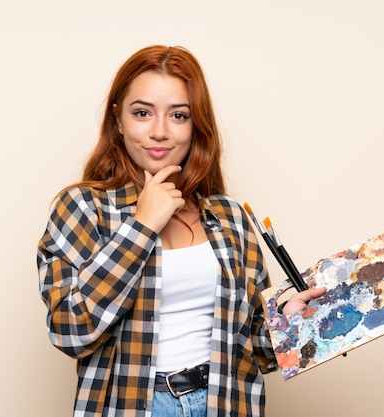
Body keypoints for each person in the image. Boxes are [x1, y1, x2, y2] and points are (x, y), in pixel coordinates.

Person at [37, 45, 326, 417]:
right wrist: (142, 225)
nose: (159, 132)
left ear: (196, 124)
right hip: (135, 407)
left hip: (224, 402)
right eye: (142, 113)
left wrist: (290, 317)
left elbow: (257, 348)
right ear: (118, 120)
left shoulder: (230, 216)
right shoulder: (83, 208)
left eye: (178, 115)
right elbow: (69, 331)